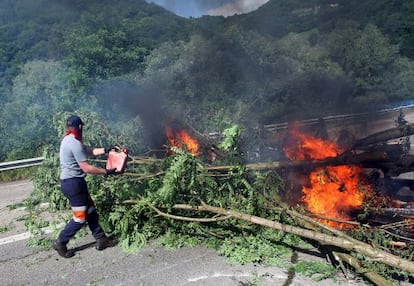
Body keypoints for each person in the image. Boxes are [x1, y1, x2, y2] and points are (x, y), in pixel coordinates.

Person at [52, 114, 118, 258]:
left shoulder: (68, 139)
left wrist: (106, 149)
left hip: (73, 182)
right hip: (73, 184)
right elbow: (86, 168)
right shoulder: (74, 143)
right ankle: (61, 242)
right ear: (80, 127)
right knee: (80, 218)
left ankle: (101, 239)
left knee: (91, 210)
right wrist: (106, 171)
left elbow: (88, 150)